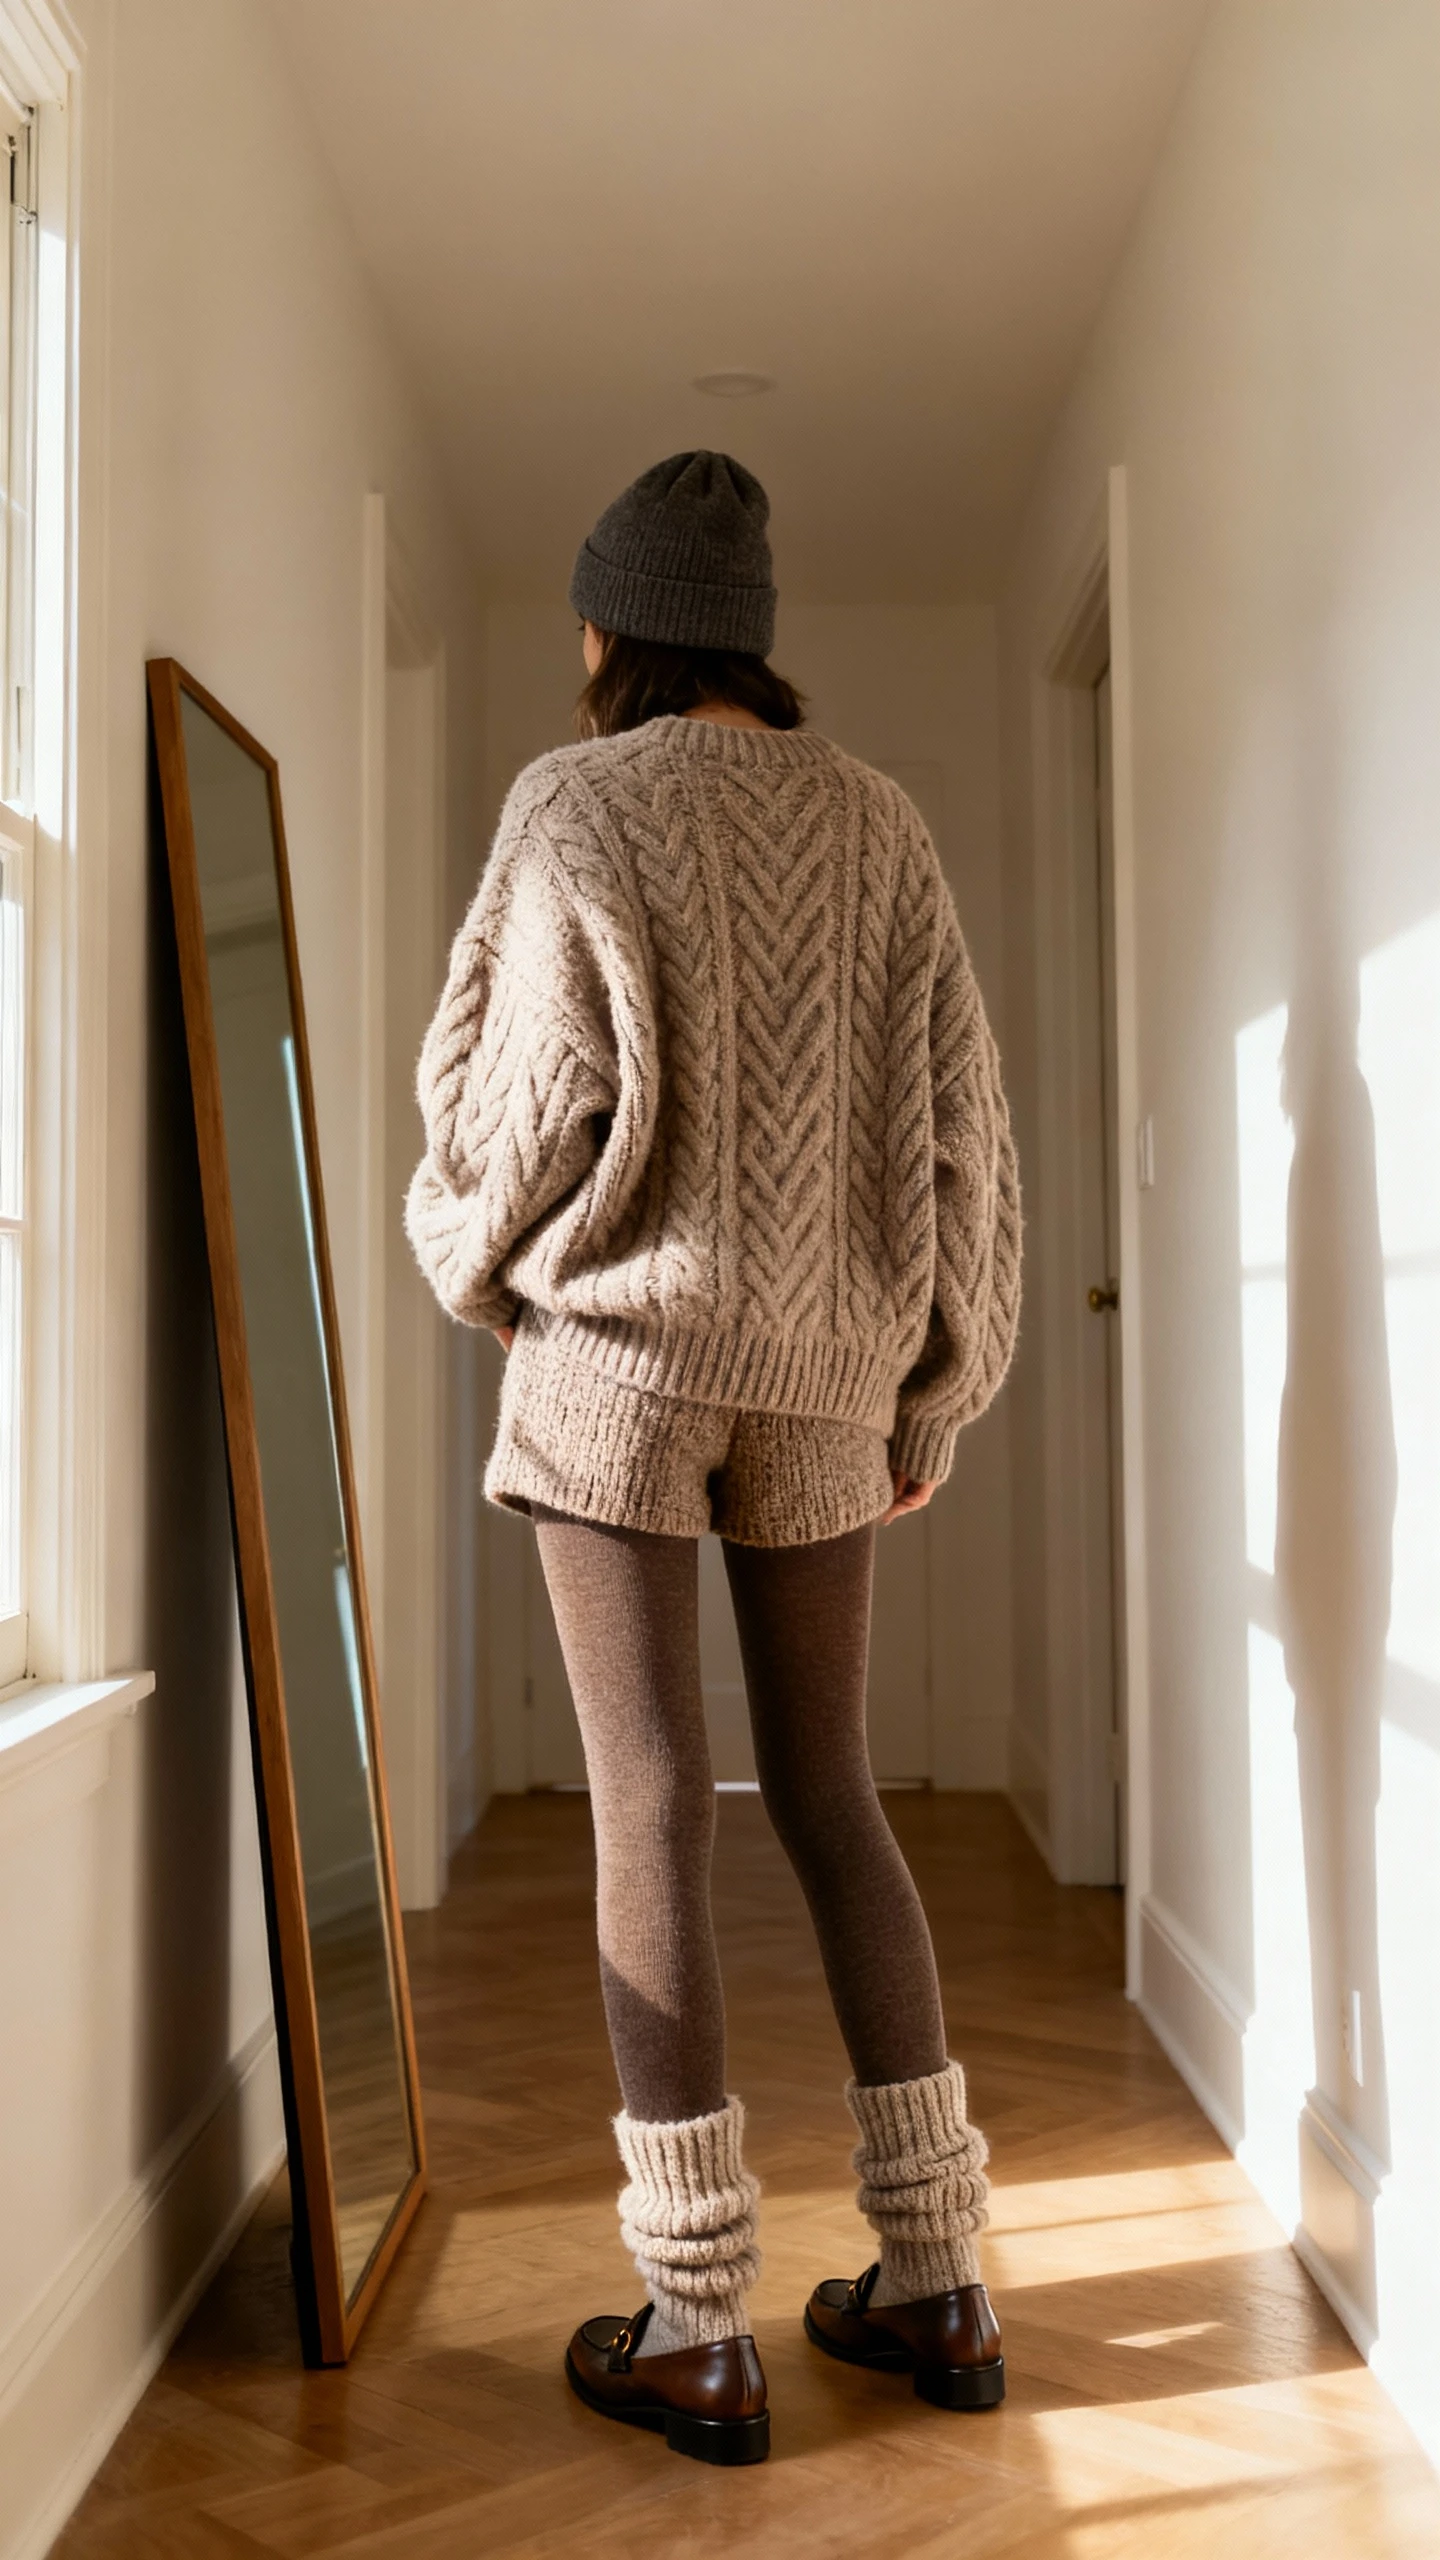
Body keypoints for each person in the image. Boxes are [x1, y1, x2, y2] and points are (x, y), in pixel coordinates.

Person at [407, 450, 1021, 2467]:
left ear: (614, 629)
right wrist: (930, 1387)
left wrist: (476, 1263)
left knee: (652, 1799)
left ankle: (700, 2322)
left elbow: (513, 1091)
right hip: (831, 1378)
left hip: (624, 1369)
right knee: (833, 1792)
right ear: (748, 635)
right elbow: (965, 1149)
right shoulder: (885, 822)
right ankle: (936, 2276)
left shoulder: (571, 801)